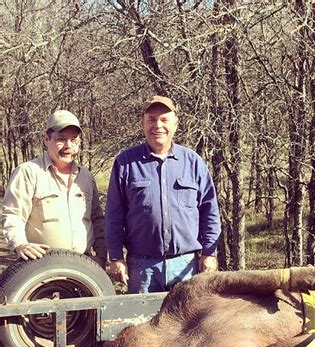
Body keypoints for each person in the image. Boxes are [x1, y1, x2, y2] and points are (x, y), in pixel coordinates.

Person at [106, 95, 221, 293]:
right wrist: (116, 257)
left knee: (186, 323)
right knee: (141, 322)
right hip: (142, 267)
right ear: (142, 124)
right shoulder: (125, 163)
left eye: (164, 119)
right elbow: (114, 215)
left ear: (175, 124)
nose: (157, 125)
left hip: (185, 265)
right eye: (151, 119)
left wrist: (210, 253)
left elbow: (209, 210)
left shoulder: (192, 162)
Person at [2, 110, 107, 266]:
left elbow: (97, 220)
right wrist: (20, 244)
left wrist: (102, 256)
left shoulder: (86, 176)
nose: (68, 146)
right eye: (61, 139)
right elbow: (13, 215)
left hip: (83, 265)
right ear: (46, 139)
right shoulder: (28, 172)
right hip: (40, 266)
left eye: (73, 140)